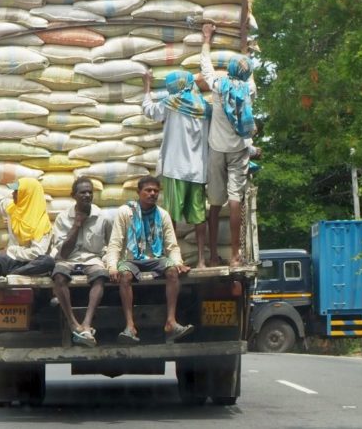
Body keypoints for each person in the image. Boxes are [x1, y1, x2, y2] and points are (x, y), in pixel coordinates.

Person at [105, 176, 193, 344]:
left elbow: (171, 245)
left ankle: (171, 322)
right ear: (139, 193)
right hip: (131, 259)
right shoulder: (126, 212)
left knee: (173, 271)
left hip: (155, 258)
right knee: (124, 276)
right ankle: (130, 326)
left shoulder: (163, 214)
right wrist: (112, 267)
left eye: (155, 191)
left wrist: (178, 262)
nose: (152, 194)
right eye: (148, 190)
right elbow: (115, 242)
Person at [200, 23, 260, 267]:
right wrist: (247, 53)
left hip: (216, 148)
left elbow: (205, 65)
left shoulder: (217, 85)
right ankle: (235, 255)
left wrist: (207, 39)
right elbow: (251, 74)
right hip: (238, 151)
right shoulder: (250, 89)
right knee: (235, 198)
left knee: (214, 202)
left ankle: (213, 254)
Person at [0, 156, 55, 319]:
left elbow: (36, 253)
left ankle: (14, 272)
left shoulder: (42, 224)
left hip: (31, 263)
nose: (13, 193)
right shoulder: (13, 209)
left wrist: (11, 251)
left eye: (17, 191)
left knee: (48, 261)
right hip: (15, 260)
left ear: (27, 194)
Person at [141, 68, 211, 268]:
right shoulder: (205, 107)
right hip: (198, 171)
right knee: (199, 217)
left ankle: (172, 258)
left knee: (170, 216)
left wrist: (147, 84)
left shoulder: (171, 103)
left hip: (175, 169)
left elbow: (149, 110)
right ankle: (201, 260)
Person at [51, 177, 112, 347]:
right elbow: (63, 252)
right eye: (82, 192)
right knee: (59, 277)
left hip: (92, 258)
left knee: (100, 276)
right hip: (69, 259)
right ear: (73, 195)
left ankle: (86, 323)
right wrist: (77, 224)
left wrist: (109, 261)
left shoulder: (102, 217)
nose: (87, 195)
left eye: (90, 192)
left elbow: (112, 243)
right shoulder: (63, 218)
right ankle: (72, 322)